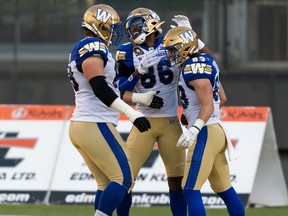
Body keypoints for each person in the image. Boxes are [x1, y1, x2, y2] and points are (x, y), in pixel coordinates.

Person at [113, 8, 216, 216]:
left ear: (150, 25)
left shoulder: (171, 43)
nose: (133, 32)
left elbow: (207, 62)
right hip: (143, 121)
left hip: (170, 122)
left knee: (177, 181)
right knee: (125, 179)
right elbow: (118, 91)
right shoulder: (127, 51)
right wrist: (138, 75)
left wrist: (192, 37)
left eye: (136, 27)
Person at [67, 4, 164, 216]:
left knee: (105, 184)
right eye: (110, 26)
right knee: (124, 179)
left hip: (85, 123)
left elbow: (108, 89)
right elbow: (100, 88)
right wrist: (132, 113)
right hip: (93, 122)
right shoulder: (93, 46)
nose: (114, 31)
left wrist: (139, 98)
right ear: (99, 26)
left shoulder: (86, 46)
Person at [162, 26, 245, 216]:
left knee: (190, 189)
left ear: (185, 48)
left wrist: (195, 128)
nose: (169, 54)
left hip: (205, 132)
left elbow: (208, 103)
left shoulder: (193, 67)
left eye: (173, 49)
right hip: (215, 129)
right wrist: (194, 115)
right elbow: (221, 98)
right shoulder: (207, 61)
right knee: (225, 189)